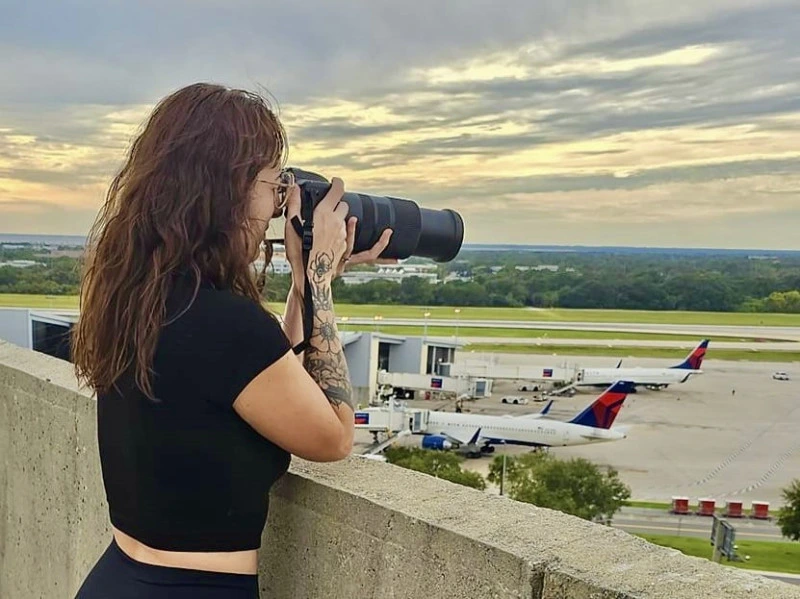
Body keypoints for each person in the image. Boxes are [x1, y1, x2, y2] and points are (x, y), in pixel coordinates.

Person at [70, 82, 393, 599]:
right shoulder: (224, 324)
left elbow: (270, 377)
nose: (278, 202)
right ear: (230, 190)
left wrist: (302, 284)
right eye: (274, 183)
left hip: (117, 577)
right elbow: (333, 438)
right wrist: (323, 280)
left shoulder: (139, 300)